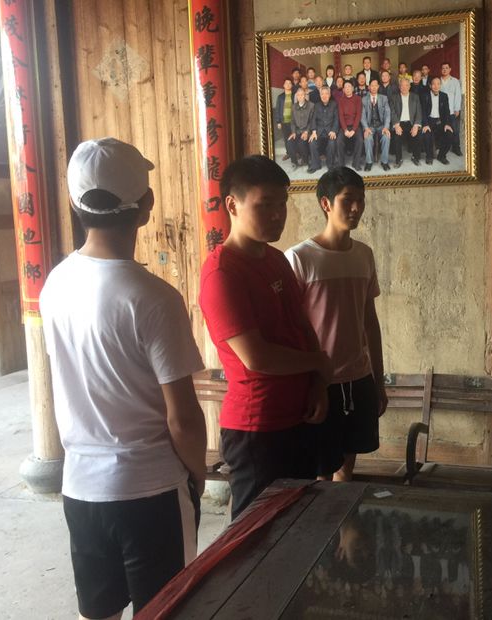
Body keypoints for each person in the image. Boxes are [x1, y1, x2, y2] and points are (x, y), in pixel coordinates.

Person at [40, 138, 207, 619]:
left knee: (99, 613)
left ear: (76, 205)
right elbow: (182, 418)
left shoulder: (54, 284)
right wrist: (196, 476)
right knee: (167, 611)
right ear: (146, 206)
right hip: (150, 490)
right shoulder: (153, 297)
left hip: (81, 489)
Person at [198, 155, 331, 519]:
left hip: (300, 416)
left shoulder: (276, 260)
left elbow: (302, 325)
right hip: (258, 427)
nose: (277, 215)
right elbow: (256, 357)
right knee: (256, 533)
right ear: (232, 205)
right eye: (265, 205)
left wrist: (318, 383)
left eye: (282, 204)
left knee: (299, 523)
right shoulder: (222, 273)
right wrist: (318, 362)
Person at [285, 167, 387, 482]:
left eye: (361, 200)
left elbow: (370, 322)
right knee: (321, 472)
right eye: (347, 200)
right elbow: (291, 328)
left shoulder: (364, 255)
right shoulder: (300, 258)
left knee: (347, 468)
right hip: (319, 381)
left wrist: (378, 381)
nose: (356, 208)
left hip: (359, 378)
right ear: (326, 204)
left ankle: (344, 516)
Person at [390, 76, 423, 168]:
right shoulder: (394, 97)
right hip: (399, 123)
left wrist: (416, 126)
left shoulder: (415, 97)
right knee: (397, 137)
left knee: (418, 135)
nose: (404, 87)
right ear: (399, 87)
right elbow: (392, 112)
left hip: (411, 122)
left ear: (409, 86)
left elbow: (419, 112)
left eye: (406, 85)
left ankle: (415, 157)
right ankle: (398, 159)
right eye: (402, 85)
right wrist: (396, 125)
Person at [420, 77, 453, 165]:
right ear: (430, 85)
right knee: (426, 135)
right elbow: (422, 111)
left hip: (440, 121)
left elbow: (447, 111)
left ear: (440, 85)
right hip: (429, 121)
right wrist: (425, 124)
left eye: (438, 84)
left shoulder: (444, 96)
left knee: (449, 134)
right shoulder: (424, 96)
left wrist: (447, 124)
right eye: (433, 84)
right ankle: (429, 156)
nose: (436, 86)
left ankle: (441, 156)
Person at [361, 79, 391, 172]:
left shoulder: (384, 98)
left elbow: (387, 114)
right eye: (372, 85)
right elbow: (362, 116)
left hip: (381, 125)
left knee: (386, 137)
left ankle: (384, 162)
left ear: (378, 87)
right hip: (370, 125)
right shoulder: (364, 99)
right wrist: (366, 128)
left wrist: (386, 127)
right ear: (369, 87)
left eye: (375, 85)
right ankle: (369, 162)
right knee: (368, 138)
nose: (373, 87)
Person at [308, 86, 339, 173]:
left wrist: (333, 130)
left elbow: (336, 119)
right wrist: (314, 132)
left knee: (332, 143)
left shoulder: (334, 104)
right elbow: (313, 119)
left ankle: (330, 164)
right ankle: (315, 165)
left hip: (330, 131)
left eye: (326, 94)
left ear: (329, 95)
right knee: (312, 142)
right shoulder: (316, 105)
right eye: (322, 94)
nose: (324, 96)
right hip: (319, 131)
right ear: (320, 95)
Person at [336, 81, 364, 170]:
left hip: (355, 126)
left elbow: (358, 115)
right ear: (343, 90)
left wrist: (353, 130)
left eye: (349, 86)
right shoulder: (341, 100)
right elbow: (341, 116)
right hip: (344, 126)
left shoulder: (358, 99)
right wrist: (345, 130)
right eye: (345, 87)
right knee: (339, 141)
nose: (347, 89)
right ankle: (341, 164)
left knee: (360, 140)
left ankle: (356, 163)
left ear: (352, 88)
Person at [439, 62, 463, 157]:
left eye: (446, 68)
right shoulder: (438, 81)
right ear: (441, 70)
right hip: (441, 111)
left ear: (450, 69)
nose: (444, 70)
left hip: (452, 110)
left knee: (455, 130)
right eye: (443, 68)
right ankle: (442, 146)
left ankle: (456, 148)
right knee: (442, 129)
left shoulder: (455, 81)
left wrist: (457, 109)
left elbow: (458, 96)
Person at [289, 87, 315, 168]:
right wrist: (293, 132)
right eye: (298, 95)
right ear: (296, 96)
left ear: (305, 96)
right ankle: (294, 162)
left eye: (302, 95)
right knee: (289, 142)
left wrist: (307, 132)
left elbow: (312, 121)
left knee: (301, 143)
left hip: (307, 131)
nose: (300, 97)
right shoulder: (293, 107)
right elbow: (292, 121)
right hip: (297, 131)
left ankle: (305, 160)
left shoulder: (311, 105)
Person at [274, 78, 295, 161]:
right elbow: (278, 109)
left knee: (294, 137)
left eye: (290, 83)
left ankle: (296, 153)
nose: (288, 85)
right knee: (286, 138)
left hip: (293, 121)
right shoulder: (280, 97)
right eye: (286, 83)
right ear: (283, 85)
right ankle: (288, 153)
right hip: (284, 121)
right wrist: (278, 121)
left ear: (292, 85)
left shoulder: (295, 95)